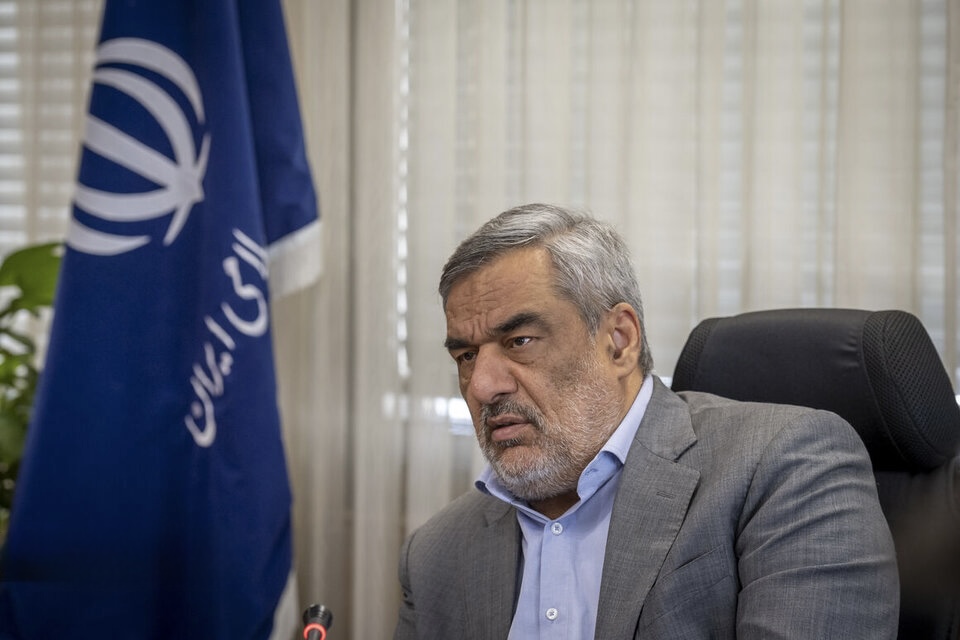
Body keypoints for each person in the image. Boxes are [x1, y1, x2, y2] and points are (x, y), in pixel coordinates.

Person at [393, 203, 899, 639]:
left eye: (519, 341)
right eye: (465, 356)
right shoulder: (435, 554)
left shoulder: (786, 467)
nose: (482, 386)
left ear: (619, 340)